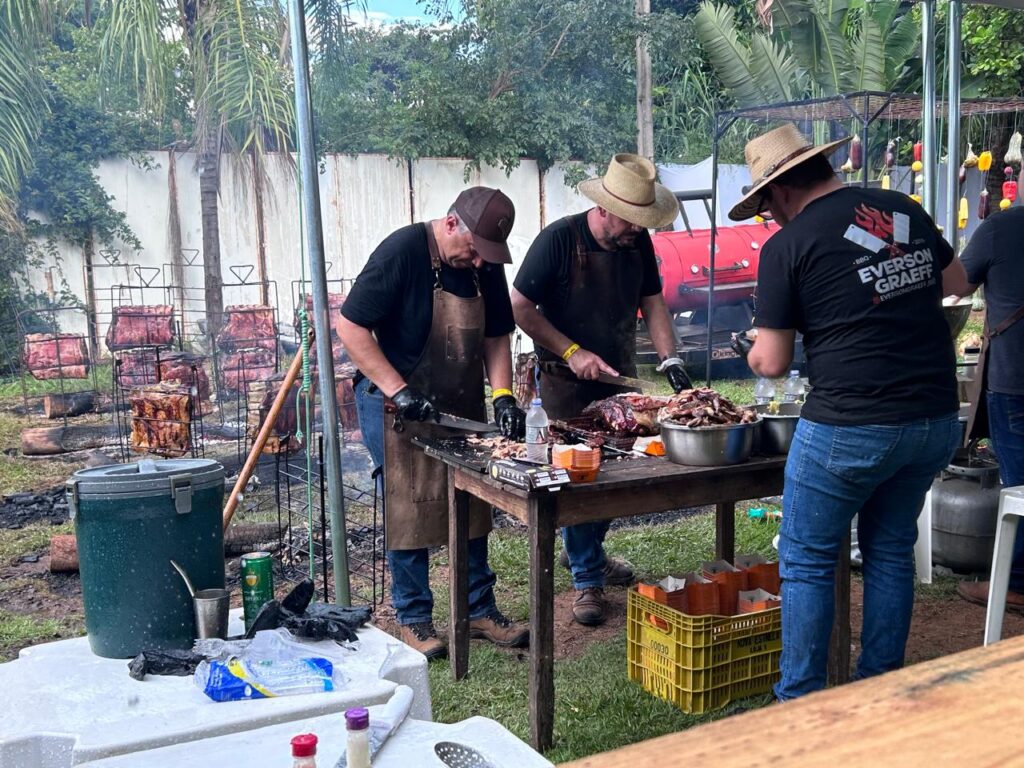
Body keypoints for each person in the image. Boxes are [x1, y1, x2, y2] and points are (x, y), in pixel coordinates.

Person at [734, 124, 964, 700]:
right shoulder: (899, 206)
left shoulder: (787, 246)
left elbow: (772, 361)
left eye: (766, 207)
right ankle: (880, 690)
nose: (770, 218)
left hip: (850, 424)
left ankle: (801, 703)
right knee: (889, 546)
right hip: (934, 416)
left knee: (807, 559)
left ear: (781, 189)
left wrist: (751, 348)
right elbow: (954, 282)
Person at [338, 187, 529, 659]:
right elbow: (350, 326)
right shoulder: (402, 251)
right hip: (392, 402)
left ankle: (479, 609)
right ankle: (414, 618)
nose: (481, 264)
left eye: (488, 256)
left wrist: (502, 395)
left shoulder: (483, 261)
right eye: (474, 251)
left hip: (459, 399)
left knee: (473, 497)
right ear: (450, 225)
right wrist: (398, 389)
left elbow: (497, 335)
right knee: (410, 501)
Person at [511, 153, 688, 627]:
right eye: (632, 220)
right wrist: (572, 352)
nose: (637, 229)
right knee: (579, 478)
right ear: (605, 209)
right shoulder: (559, 240)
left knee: (616, 470)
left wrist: (670, 361)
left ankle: (584, 548)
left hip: (619, 376)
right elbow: (520, 307)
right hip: (565, 381)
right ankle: (588, 578)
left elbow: (652, 304)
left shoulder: (638, 242)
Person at [945, 207, 1024, 610]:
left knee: (1020, 487)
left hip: (1016, 380)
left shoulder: (1000, 227)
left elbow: (955, 283)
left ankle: (1018, 585)